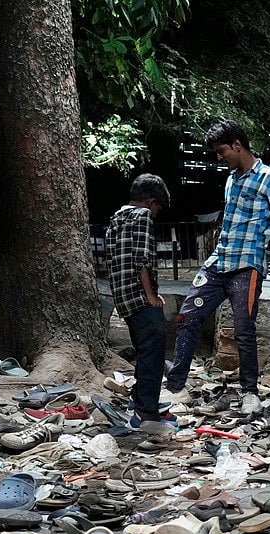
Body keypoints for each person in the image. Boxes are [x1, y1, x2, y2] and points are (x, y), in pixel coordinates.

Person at [165, 120, 270, 415]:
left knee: (243, 329)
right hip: (219, 261)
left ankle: (250, 392)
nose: (219, 157)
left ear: (238, 145)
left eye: (222, 151)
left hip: (247, 265)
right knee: (188, 316)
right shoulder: (230, 180)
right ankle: (176, 387)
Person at [105, 173, 174, 435]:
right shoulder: (142, 216)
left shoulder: (117, 217)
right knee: (153, 352)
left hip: (124, 297)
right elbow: (142, 259)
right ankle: (146, 414)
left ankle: (140, 400)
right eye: (158, 209)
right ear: (151, 202)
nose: (156, 214)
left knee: (143, 350)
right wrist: (151, 296)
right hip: (139, 296)